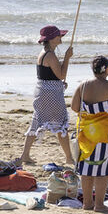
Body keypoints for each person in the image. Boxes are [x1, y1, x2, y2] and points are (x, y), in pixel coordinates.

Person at [71, 56, 108, 213]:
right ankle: (99, 204)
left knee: (87, 169)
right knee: (103, 170)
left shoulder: (83, 86)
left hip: (87, 134)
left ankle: (87, 203)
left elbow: (75, 107)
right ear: (107, 69)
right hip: (105, 134)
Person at [20, 25, 75, 166]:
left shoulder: (45, 52)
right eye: (58, 35)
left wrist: (59, 84)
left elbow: (50, 75)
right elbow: (61, 74)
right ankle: (69, 158)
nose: (61, 37)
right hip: (50, 94)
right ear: (51, 39)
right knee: (61, 124)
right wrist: (67, 58)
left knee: (37, 121)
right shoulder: (50, 55)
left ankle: (25, 154)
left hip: (43, 91)